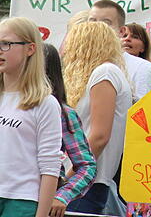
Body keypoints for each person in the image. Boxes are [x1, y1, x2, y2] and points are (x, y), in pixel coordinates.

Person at [63, 21, 132, 214]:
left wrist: (69, 178)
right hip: (85, 181)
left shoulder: (105, 72)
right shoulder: (102, 73)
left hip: (86, 183)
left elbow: (100, 136)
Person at [0, 17, 62, 217]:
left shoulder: (44, 103)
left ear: (30, 48)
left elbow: (50, 166)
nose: (0, 49)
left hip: (21, 201)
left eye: (6, 43)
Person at [42, 44, 97, 217]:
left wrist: (62, 196)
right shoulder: (6, 103)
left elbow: (87, 165)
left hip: (37, 202)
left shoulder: (62, 113)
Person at [89, 0, 151, 99]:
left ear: (121, 31)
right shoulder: (75, 67)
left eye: (105, 23)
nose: (97, 28)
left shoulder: (142, 68)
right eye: (92, 22)